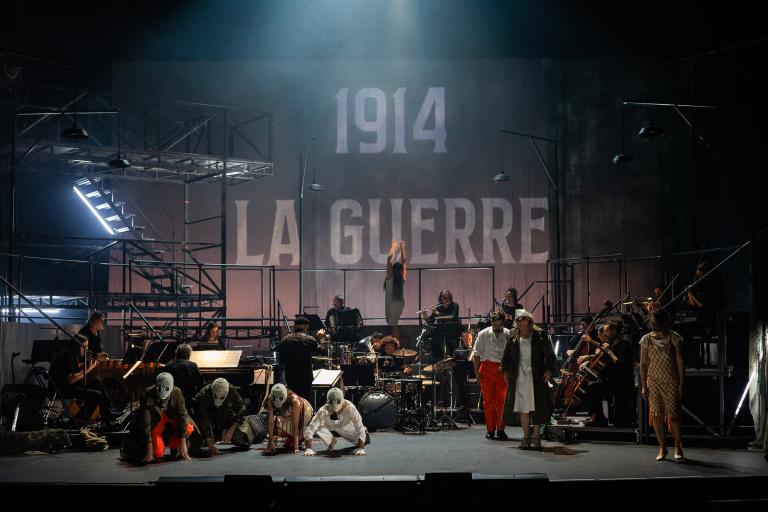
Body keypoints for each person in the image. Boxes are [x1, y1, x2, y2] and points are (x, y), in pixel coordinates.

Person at [501, 309, 556, 450]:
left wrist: (549, 370)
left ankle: (537, 438)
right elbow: (507, 353)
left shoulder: (539, 334)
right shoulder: (513, 334)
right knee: (523, 408)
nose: (522, 325)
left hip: (536, 374)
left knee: (537, 406)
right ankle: (526, 437)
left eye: (524, 322)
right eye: (519, 323)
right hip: (519, 374)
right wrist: (505, 369)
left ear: (529, 321)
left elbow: (549, 353)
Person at [640, 309, 685, 461]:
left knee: (673, 416)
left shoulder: (674, 337)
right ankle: (662, 447)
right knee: (657, 416)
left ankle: (678, 446)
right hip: (653, 381)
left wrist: (681, 384)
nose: (655, 323)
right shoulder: (646, 339)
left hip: (671, 381)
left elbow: (680, 361)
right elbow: (643, 363)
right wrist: (644, 386)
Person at [49, 335, 115, 424]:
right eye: (85, 346)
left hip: (70, 385)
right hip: (62, 388)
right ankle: (80, 420)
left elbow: (76, 373)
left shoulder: (73, 355)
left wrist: (91, 363)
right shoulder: (67, 356)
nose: (86, 349)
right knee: (96, 394)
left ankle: (108, 412)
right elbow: (71, 380)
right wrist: (88, 369)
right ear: (77, 346)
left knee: (97, 382)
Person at [581, 319, 635, 426]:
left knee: (592, 387)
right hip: (609, 379)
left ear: (614, 331)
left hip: (620, 380)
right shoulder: (610, 344)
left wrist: (609, 351)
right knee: (589, 385)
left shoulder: (624, 346)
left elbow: (620, 364)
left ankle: (599, 419)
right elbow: (602, 357)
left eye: (606, 331)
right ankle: (597, 416)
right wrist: (589, 357)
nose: (604, 333)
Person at [139, 372, 195, 462]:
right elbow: (146, 421)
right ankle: (155, 448)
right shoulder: (148, 393)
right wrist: (149, 446)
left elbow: (183, 416)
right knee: (157, 453)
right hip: (156, 420)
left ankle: (174, 446)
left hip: (172, 417)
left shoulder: (177, 392)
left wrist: (183, 442)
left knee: (188, 428)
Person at [191, 378, 254, 456]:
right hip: (210, 426)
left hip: (227, 422)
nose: (218, 401)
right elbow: (204, 421)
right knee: (197, 442)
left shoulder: (231, 391)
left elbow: (241, 409)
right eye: (215, 396)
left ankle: (254, 428)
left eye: (222, 398)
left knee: (241, 437)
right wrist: (210, 444)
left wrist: (231, 429)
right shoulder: (203, 395)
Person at [472, 311, 510, 440]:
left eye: (500, 325)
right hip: (486, 369)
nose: (497, 328)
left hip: (502, 370)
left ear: (503, 323)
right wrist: (477, 375)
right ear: (491, 323)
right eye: (495, 325)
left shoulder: (508, 334)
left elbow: (512, 355)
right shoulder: (483, 334)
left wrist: (507, 368)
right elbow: (476, 356)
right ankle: (490, 430)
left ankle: (501, 429)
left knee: (502, 402)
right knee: (488, 402)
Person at [303, 387, 369, 456]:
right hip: (332, 426)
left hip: (347, 428)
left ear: (342, 401)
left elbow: (359, 427)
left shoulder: (350, 408)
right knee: (317, 425)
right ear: (327, 401)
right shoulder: (323, 410)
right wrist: (308, 449)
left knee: (361, 436)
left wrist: (360, 448)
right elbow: (311, 428)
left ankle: (365, 432)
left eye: (338, 402)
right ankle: (331, 442)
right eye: (331, 402)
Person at [275, 316, 329, 401]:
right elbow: (324, 352)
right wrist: (322, 338)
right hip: (305, 379)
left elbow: (281, 360)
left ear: (295, 326)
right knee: (304, 402)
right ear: (306, 326)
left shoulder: (285, 340)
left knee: (293, 401)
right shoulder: (309, 339)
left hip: (290, 378)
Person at [264, 383, 314, 455]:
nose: (277, 400)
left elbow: (296, 426)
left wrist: (296, 448)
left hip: (305, 410)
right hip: (288, 413)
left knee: (294, 437)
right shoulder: (270, 399)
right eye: (275, 399)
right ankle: (290, 439)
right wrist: (270, 442)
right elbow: (271, 422)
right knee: (277, 428)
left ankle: (296, 440)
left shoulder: (295, 401)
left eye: (280, 398)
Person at [156, 343, 204, 409]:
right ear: (189, 355)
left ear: (176, 353)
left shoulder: (167, 365)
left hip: (170, 399)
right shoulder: (192, 365)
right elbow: (201, 383)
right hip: (187, 399)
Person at [422, 289, 460, 359]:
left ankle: (451, 359)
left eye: (448, 298)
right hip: (441, 332)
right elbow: (431, 321)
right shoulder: (439, 307)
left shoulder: (454, 305)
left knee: (451, 349)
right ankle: (439, 359)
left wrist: (438, 313)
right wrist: (426, 316)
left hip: (453, 332)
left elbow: (452, 317)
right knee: (432, 339)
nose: (447, 300)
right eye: (444, 298)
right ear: (441, 299)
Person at [385, 240, 407, 339]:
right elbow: (404, 262)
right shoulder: (402, 279)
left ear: (393, 270)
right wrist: (402, 248)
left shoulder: (390, 277)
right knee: (394, 326)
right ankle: (394, 344)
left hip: (392, 305)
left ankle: (397, 345)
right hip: (398, 304)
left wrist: (393, 246)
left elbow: (389, 258)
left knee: (394, 327)